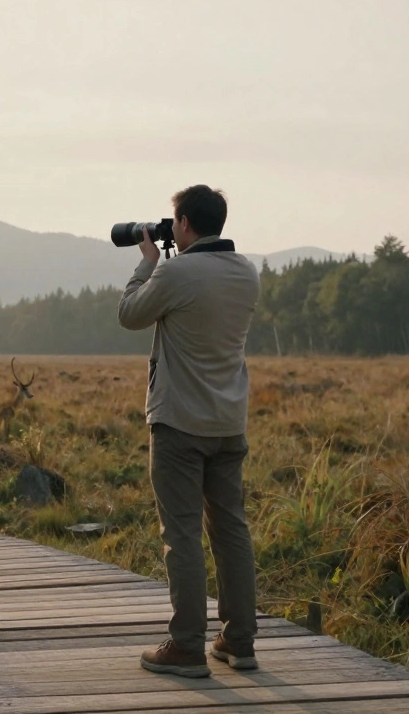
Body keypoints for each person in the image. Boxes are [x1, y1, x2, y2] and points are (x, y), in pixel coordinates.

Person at [117, 184, 261, 678]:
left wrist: (147, 260)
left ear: (183, 225)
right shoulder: (247, 272)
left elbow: (130, 315)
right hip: (228, 423)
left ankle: (185, 647)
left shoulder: (176, 272)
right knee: (231, 532)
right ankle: (239, 641)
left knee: (182, 536)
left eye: (174, 220)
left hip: (179, 423)